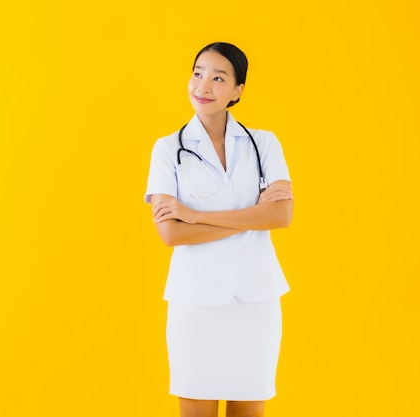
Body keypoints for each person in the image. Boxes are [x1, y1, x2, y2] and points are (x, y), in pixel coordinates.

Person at [144, 42, 294, 417]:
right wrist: (251, 216)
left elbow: (281, 216)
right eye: (197, 73)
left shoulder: (264, 143)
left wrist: (194, 216)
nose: (203, 86)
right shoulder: (167, 150)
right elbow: (171, 235)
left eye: (218, 78)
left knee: (249, 411)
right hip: (195, 303)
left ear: (237, 91)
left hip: (255, 300)